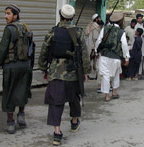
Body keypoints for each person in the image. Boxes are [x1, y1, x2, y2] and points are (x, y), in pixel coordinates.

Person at [38, 4, 90, 146]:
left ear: (60, 15)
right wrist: (85, 72)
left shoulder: (52, 32)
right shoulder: (78, 32)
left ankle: (57, 133)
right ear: (72, 17)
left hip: (55, 73)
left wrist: (43, 69)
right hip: (73, 72)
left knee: (56, 101)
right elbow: (84, 54)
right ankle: (74, 122)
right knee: (74, 97)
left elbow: (43, 52)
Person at [0, 4, 34, 134]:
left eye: (8, 13)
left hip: (11, 67)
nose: (5, 16)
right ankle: (21, 117)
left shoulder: (9, 29)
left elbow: (2, 49)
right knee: (22, 91)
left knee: (9, 94)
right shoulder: (25, 27)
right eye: (5, 13)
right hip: (25, 66)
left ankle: (10, 123)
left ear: (15, 15)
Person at [95, 12, 130, 102]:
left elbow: (99, 41)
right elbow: (124, 45)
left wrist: (96, 51)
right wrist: (126, 57)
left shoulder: (105, 28)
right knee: (116, 74)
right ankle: (114, 92)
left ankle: (107, 96)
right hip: (116, 58)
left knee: (106, 76)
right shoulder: (121, 32)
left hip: (104, 56)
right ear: (121, 21)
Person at [85, 13, 102, 80]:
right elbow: (95, 38)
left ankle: (92, 75)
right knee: (94, 61)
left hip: (93, 46)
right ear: (96, 19)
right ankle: (92, 75)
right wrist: (95, 49)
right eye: (99, 18)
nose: (100, 19)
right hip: (94, 46)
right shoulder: (95, 27)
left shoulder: (92, 26)